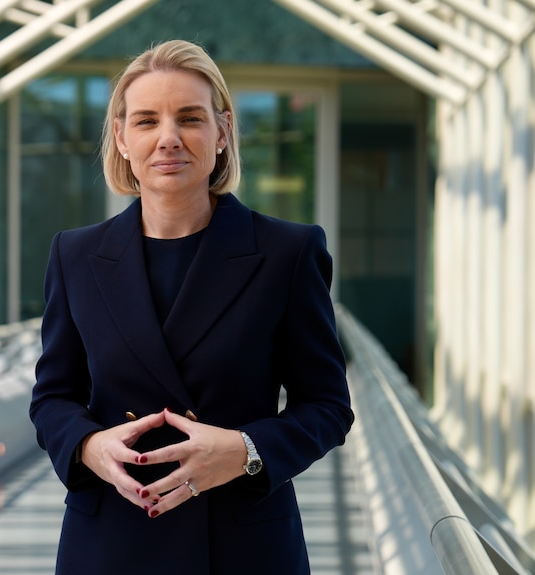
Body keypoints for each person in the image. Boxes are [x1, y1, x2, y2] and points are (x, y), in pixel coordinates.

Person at [29, 39, 354, 574]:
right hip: (111, 541)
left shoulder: (288, 253)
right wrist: (89, 447)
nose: (168, 139)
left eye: (189, 118)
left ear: (222, 132)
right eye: (146, 121)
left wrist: (245, 449)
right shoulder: (76, 254)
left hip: (241, 546)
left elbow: (327, 405)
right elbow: (53, 398)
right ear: (121, 138)